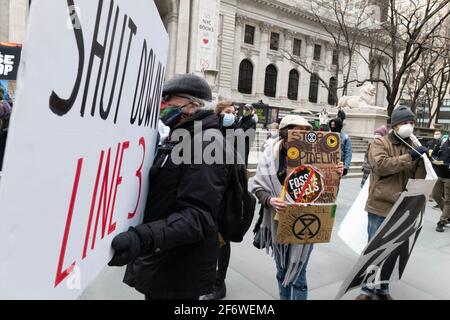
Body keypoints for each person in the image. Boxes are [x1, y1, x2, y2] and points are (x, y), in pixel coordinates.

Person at [108, 74, 229, 300]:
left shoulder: (206, 143)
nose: (162, 107)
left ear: (192, 105)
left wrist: (142, 238)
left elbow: (198, 217)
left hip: (178, 271)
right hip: (162, 260)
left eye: (168, 102)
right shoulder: (180, 136)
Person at [251, 115, 344, 300]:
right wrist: (270, 200)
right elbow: (258, 187)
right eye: (296, 132)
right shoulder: (271, 154)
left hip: (305, 224)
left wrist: (334, 173)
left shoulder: (315, 155)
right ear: (285, 134)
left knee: (298, 276)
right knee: (281, 270)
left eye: (305, 132)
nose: (301, 137)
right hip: (279, 222)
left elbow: (326, 193)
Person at [356, 106, 427, 300]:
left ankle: (382, 288)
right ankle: (366, 289)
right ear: (395, 125)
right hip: (381, 204)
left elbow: (418, 179)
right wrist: (410, 157)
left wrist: (425, 162)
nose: (409, 126)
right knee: (375, 248)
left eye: (412, 122)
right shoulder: (380, 143)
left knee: (393, 249)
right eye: (405, 122)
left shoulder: (413, 144)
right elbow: (381, 166)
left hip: (403, 207)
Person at [201, 101, 238, 300]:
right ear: (219, 114)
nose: (231, 115)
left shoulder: (236, 135)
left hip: (227, 198)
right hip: (210, 193)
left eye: (233, 112)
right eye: (228, 112)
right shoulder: (210, 133)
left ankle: (219, 283)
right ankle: (207, 279)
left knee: (223, 242)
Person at [431, 134, 450, 232]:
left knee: (448, 200)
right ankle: (447, 215)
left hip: (449, 177)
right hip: (439, 174)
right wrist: (435, 160)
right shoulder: (442, 141)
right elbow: (434, 154)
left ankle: (442, 222)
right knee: (435, 195)